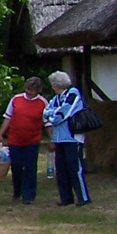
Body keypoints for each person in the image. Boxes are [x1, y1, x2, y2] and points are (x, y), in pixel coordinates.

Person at [0, 76, 47, 204]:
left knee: (30, 167)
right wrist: (1, 133)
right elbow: (8, 117)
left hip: (33, 139)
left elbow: (47, 123)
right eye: (27, 89)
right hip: (15, 139)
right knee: (17, 166)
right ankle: (17, 191)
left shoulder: (43, 102)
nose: (29, 92)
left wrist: (53, 139)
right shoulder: (16, 99)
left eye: (32, 90)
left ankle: (29, 195)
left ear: (38, 90)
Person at [44, 70, 91, 206]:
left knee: (75, 167)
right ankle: (66, 198)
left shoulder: (73, 94)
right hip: (59, 138)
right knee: (62, 169)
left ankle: (83, 197)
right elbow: (46, 111)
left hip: (72, 138)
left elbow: (62, 114)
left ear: (56, 84)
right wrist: (53, 114)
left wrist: (52, 116)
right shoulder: (56, 98)